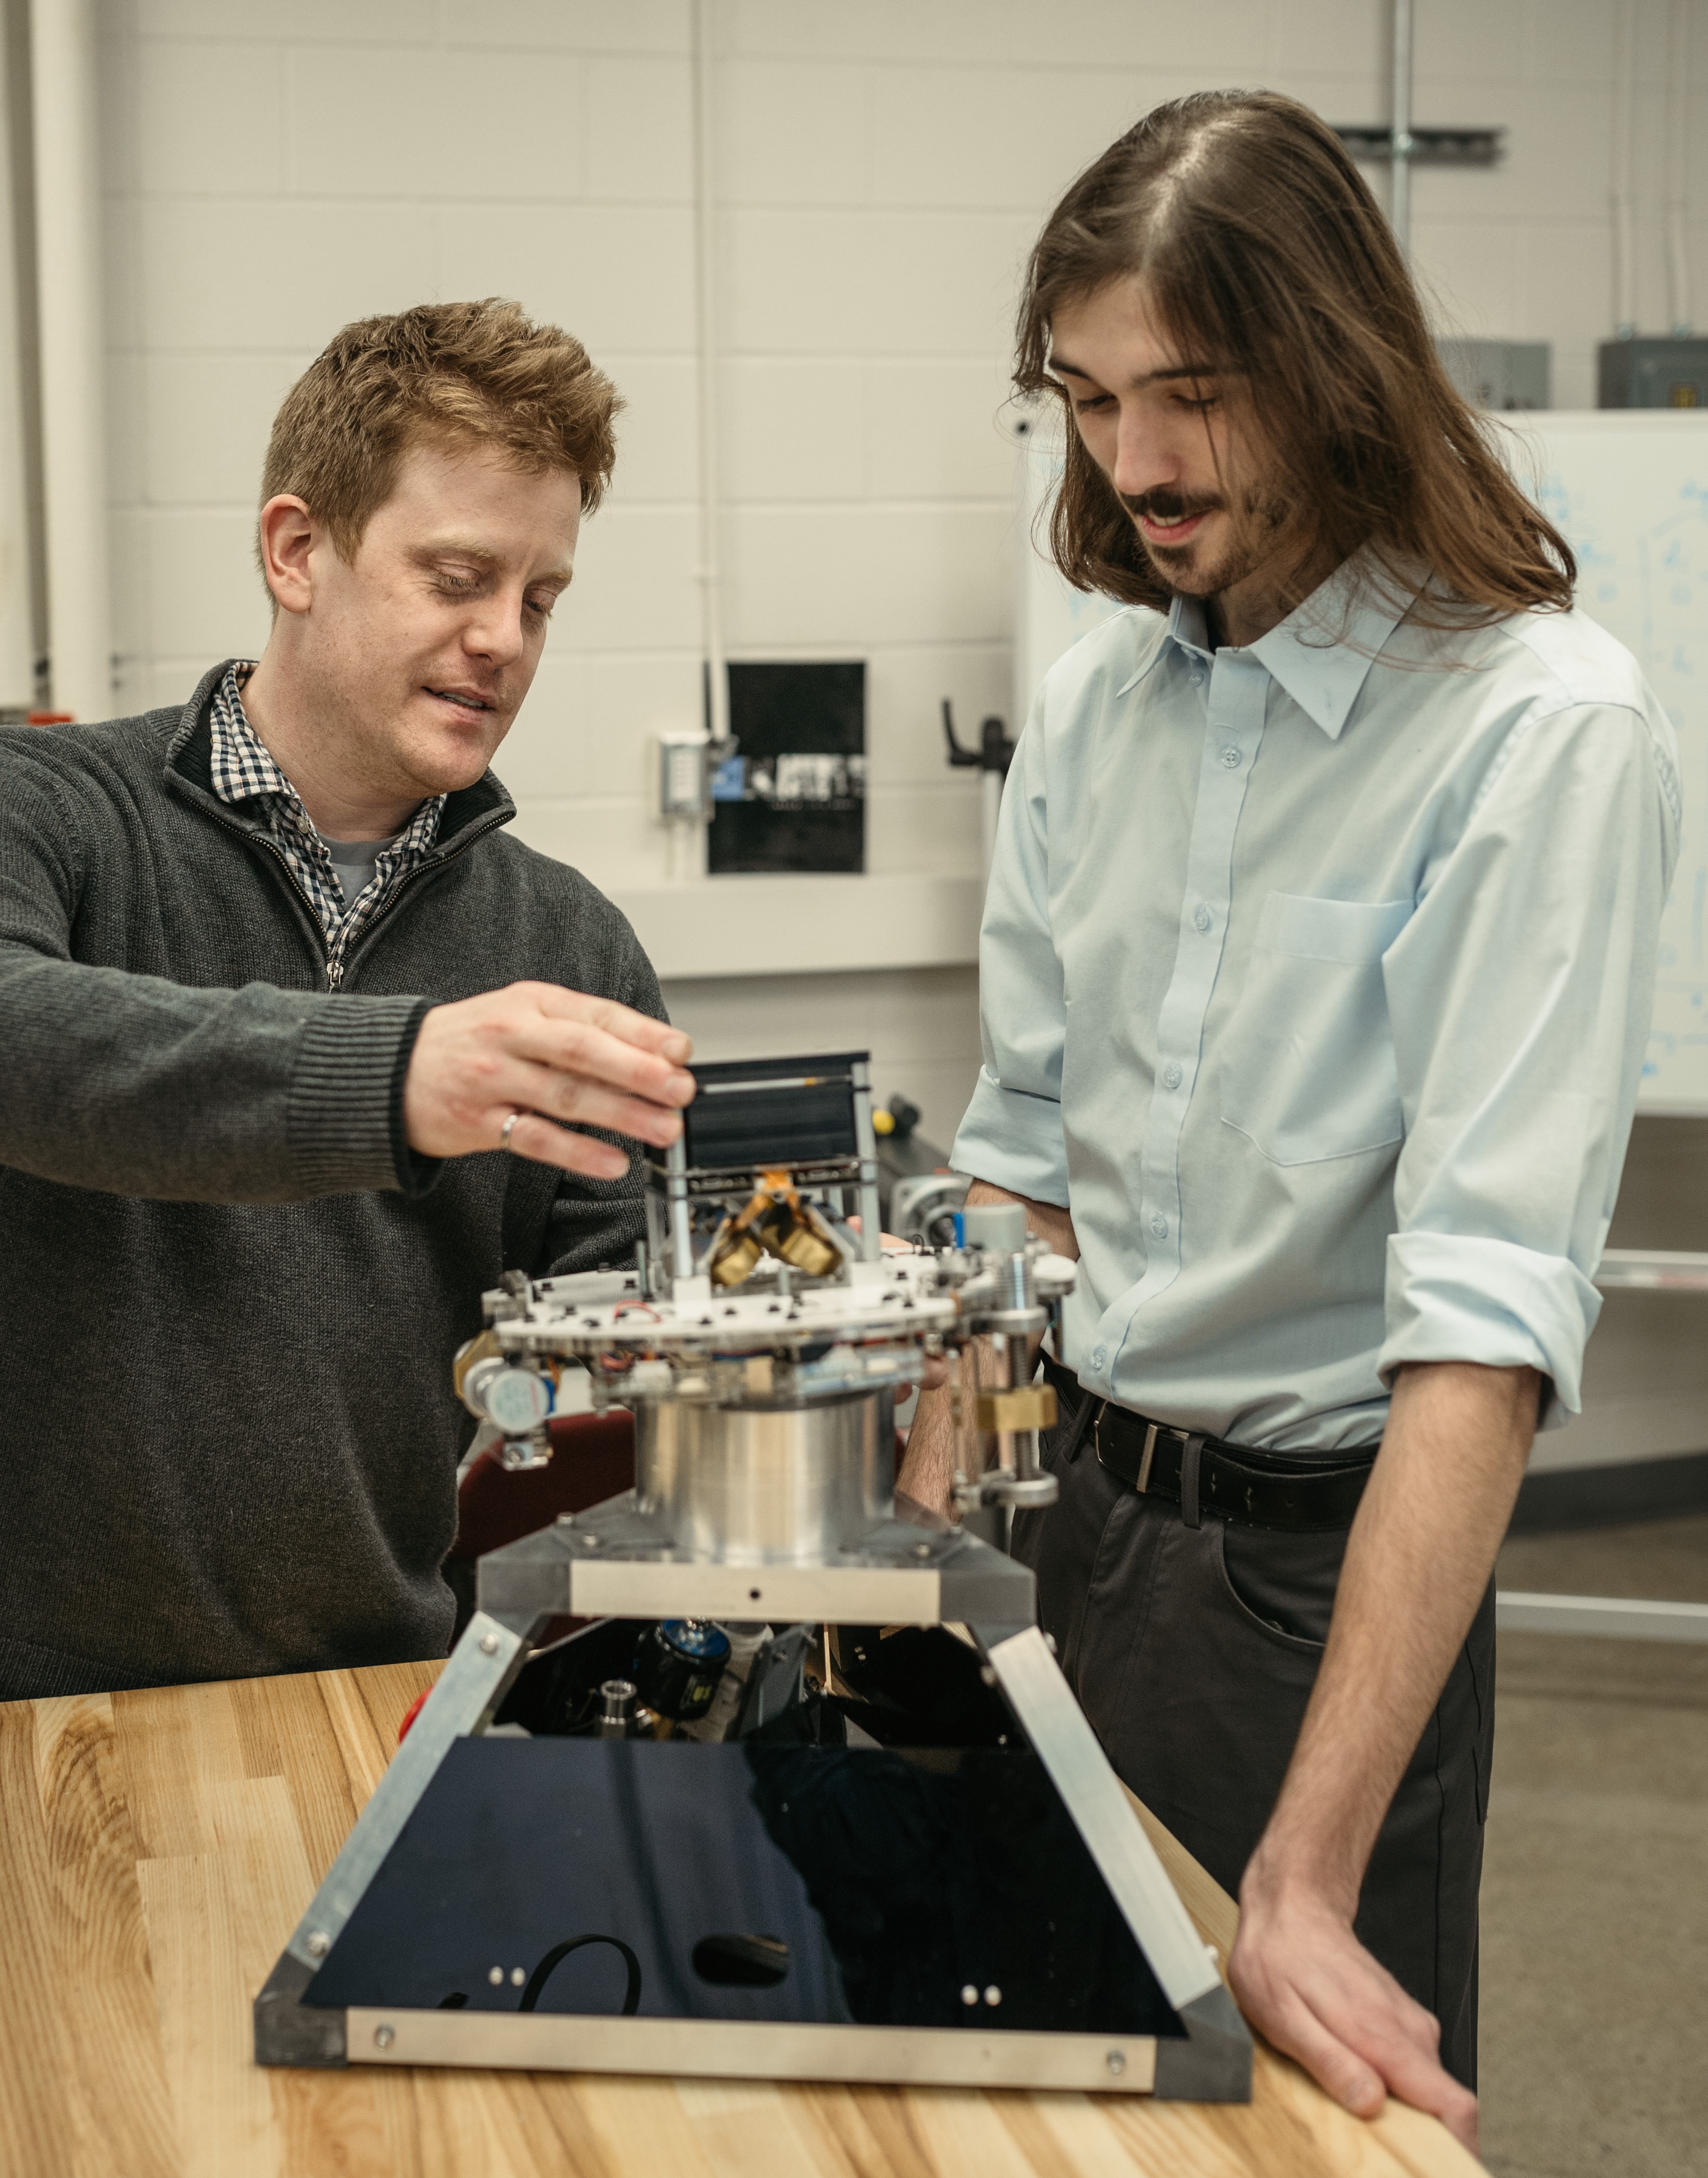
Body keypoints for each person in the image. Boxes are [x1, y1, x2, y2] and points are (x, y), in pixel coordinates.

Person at [899, 93, 1678, 2150]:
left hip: (1320, 1598)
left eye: (1191, 393)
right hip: (1082, 1532)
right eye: (1084, 396)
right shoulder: (1094, 702)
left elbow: (1482, 1327)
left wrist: (1310, 1871)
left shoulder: (1537, 733)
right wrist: (934, 1512)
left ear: (1335, 373)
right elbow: (1028, 1155)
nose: (1133, 464)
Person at [0, 300, 694, 1719]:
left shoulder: (564, 940)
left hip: (370, 1690)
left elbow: (622, 1338)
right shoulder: (30, 806)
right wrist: (397, 1072)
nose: (501, 641)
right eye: (456, 578)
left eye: (539, 598)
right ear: (298, 551)